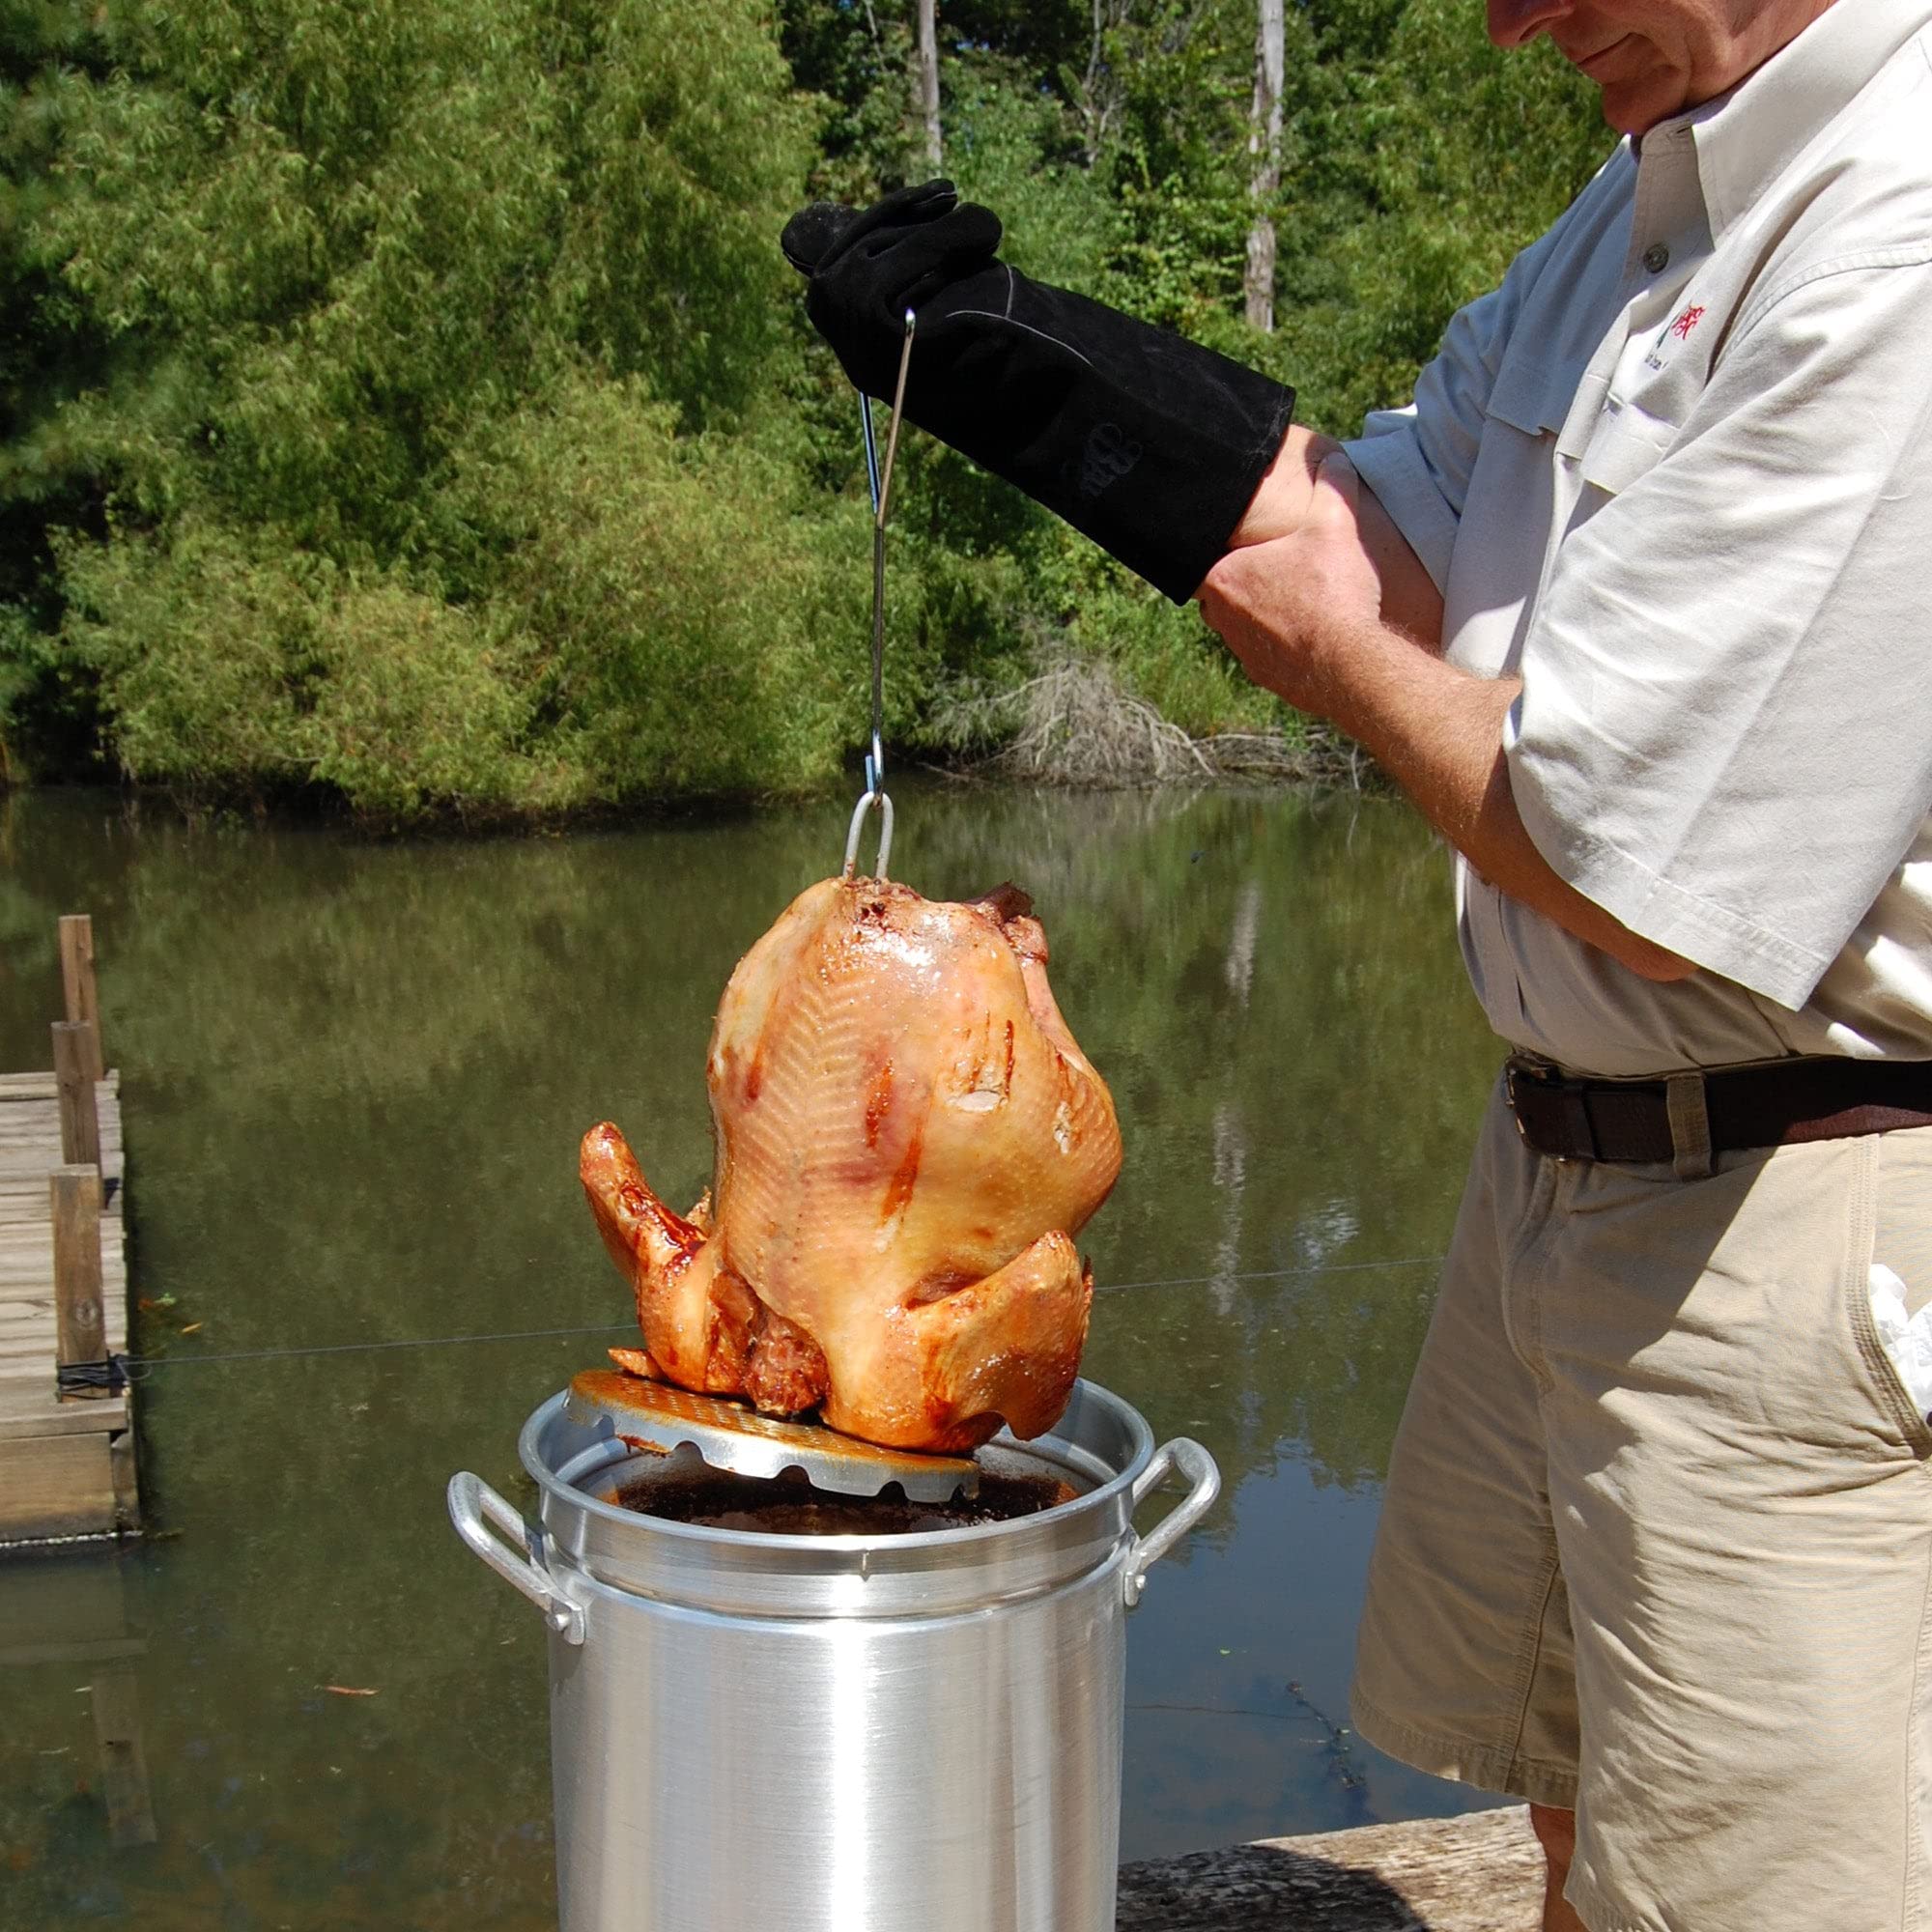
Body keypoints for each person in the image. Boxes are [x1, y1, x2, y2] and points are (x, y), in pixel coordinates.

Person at [782, 0, 1932, 1923]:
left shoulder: (1889, 220)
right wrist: (1033, 377)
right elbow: (1387, 526)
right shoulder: (1642, 198)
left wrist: (1311, 640)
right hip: (1564, 1176)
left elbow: (1628, 856)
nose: (1501, 17)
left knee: (1760, 1886)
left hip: (1807, 1219)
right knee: (1577, 1816)